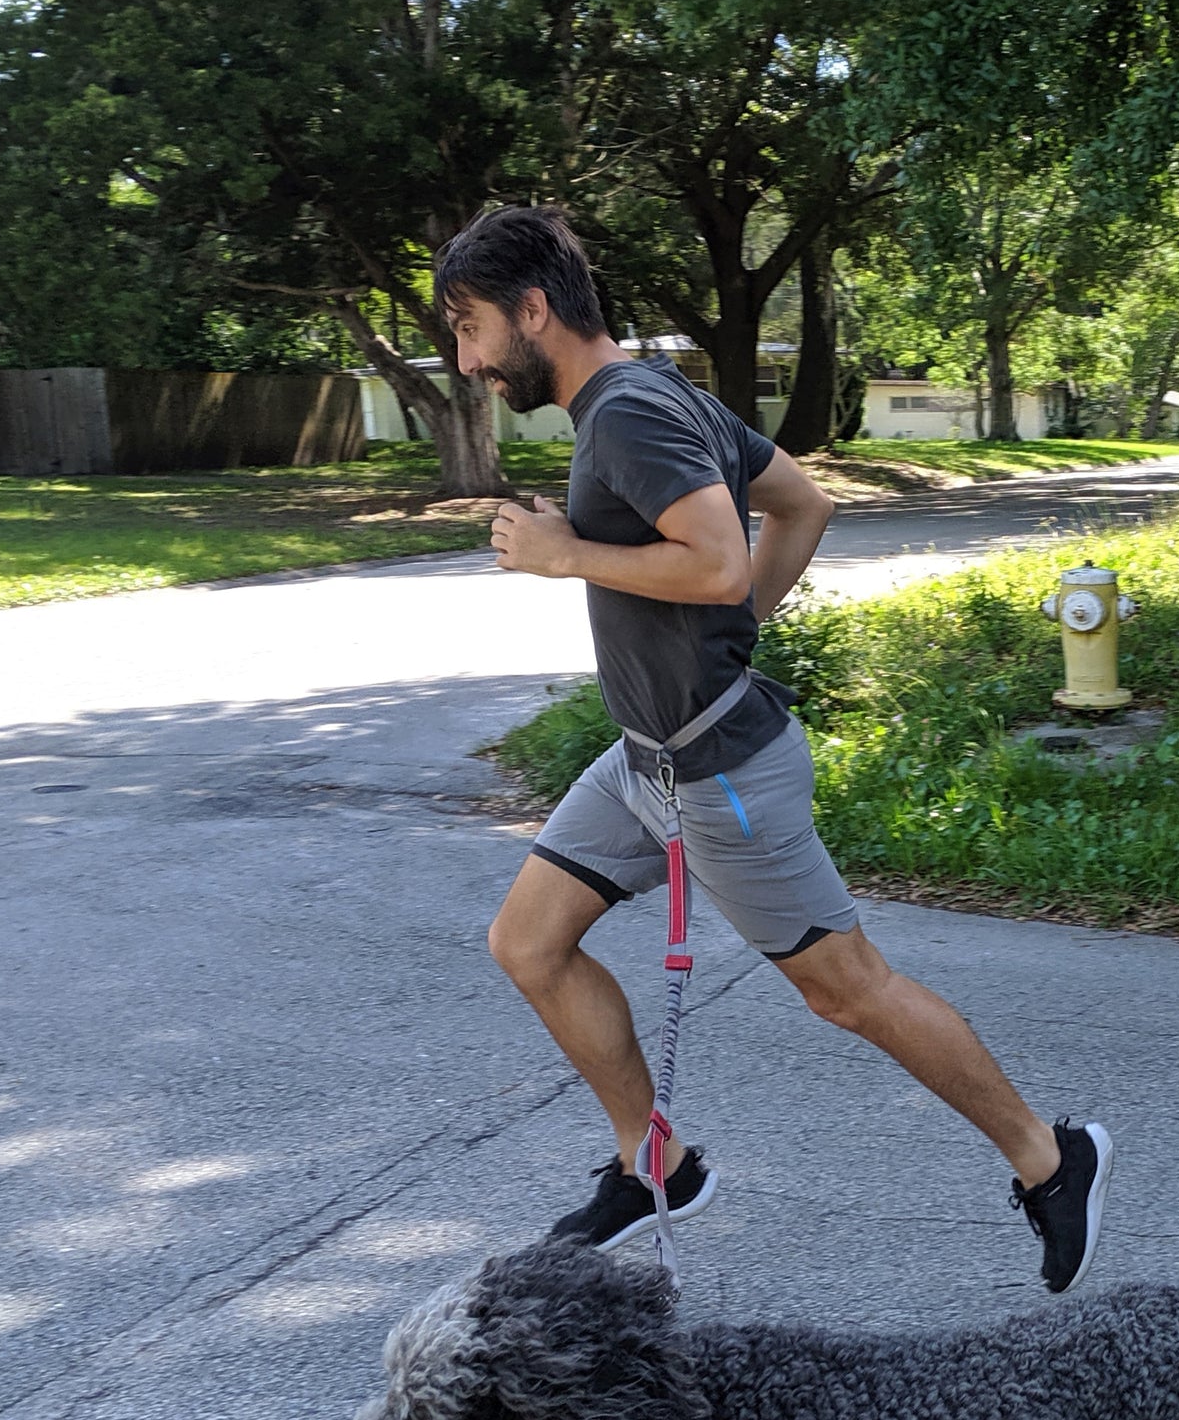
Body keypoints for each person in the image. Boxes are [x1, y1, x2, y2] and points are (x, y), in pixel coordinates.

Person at [436, 206, 1112, 1293]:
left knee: (844, 988)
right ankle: (649, 1162)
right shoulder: (656, 394)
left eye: (470, 328)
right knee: (528, 942)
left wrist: (569, 556)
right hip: (644, 760)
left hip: (720, 774)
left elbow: (711, 561)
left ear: (532, 309)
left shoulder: (624, 414)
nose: (468, 360)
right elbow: (802, 503)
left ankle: (1049, 1158)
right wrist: (732, 629)